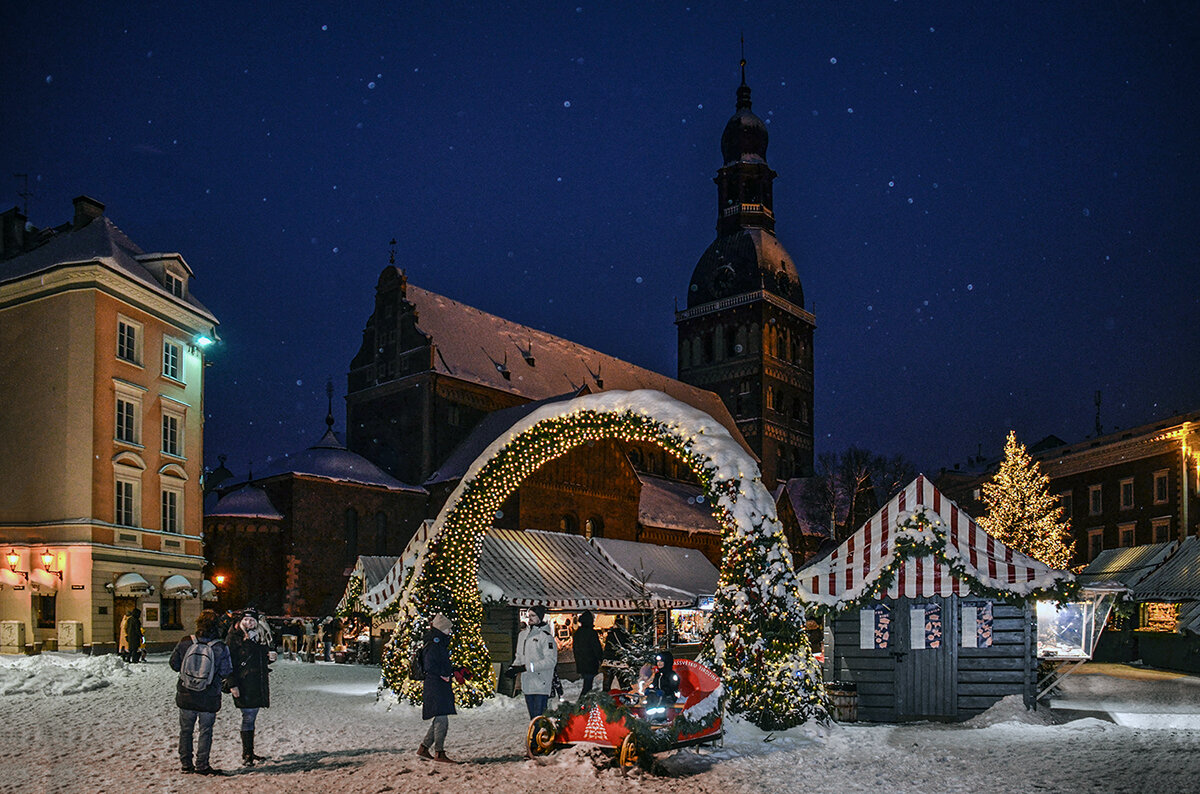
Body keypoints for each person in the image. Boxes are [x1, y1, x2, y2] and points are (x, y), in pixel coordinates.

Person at [169, 608, 234, 776]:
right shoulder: (220, 647)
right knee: (206, 731)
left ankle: (185, 764)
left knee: (186, 731)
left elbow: (174, 664)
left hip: (186, 694)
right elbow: (226, 671)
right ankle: (202, 765)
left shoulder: (185, 642)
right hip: (209, 696)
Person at [225, 610, 276, 767]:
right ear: (241, 621)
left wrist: (269, 657)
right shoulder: (233, 638)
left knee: (251, 717)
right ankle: (247, 754)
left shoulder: (260, 636)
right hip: (243, 683)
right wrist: (232, 684)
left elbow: (258, 660)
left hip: (257, 683)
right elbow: (227, 663)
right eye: (246, 620)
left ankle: (249, 751)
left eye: (251, 620)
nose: (249, 623)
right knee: (248, 716)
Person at [417, 613, 461, 764]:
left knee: (439, 717)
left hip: (437, 684)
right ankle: (439, 752)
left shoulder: (436, 642)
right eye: (448, 628)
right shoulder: (435, 644)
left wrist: (453, 670)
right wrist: (444, 674)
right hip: (437, 684)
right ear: (442, 629)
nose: (450, 631)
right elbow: (431, 665)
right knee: (441, 718)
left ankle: (424, 748)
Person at [512, 605, 557, 720]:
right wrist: (513, 668)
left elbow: (550, 661)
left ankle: (537, 737)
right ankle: (535, 736)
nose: (530, 619)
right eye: (529, 616)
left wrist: (527, 667)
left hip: (541, 683)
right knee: (533, 717)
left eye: (533, 616)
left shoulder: (546, 637)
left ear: (540, 617)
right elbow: (519, 656)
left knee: (539, 718)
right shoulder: (522, 635)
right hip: (527, 683)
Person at [571, 611, 603, 697]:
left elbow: (575, 648)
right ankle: (582, 703)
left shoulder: (577, 633)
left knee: (587, 683)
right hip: (590, 662)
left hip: (581, 662)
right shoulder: (591, 633)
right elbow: (596, 648)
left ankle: (584, 703)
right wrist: (601, 659)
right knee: (587, 686)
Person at [645, 649, 680, 720]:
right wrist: (649, 689)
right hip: (658, 695)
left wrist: (664, 691)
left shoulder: (671, 674)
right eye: (658, 661)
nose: (659, 663)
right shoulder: (658, 675)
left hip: (669, 696)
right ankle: (650, 717)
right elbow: (654, 684)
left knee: (660, 699)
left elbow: (673, 686)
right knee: (651, 697)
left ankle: (660, 718)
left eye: (661, 661)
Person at [601, 619, 630, 691]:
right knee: (623, 683)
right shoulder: (624, 635)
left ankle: (605, 698)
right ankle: (625, 697)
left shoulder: (611, 634)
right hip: (620, 661)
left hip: (608, 661)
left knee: (607, 684)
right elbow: (627, 646)